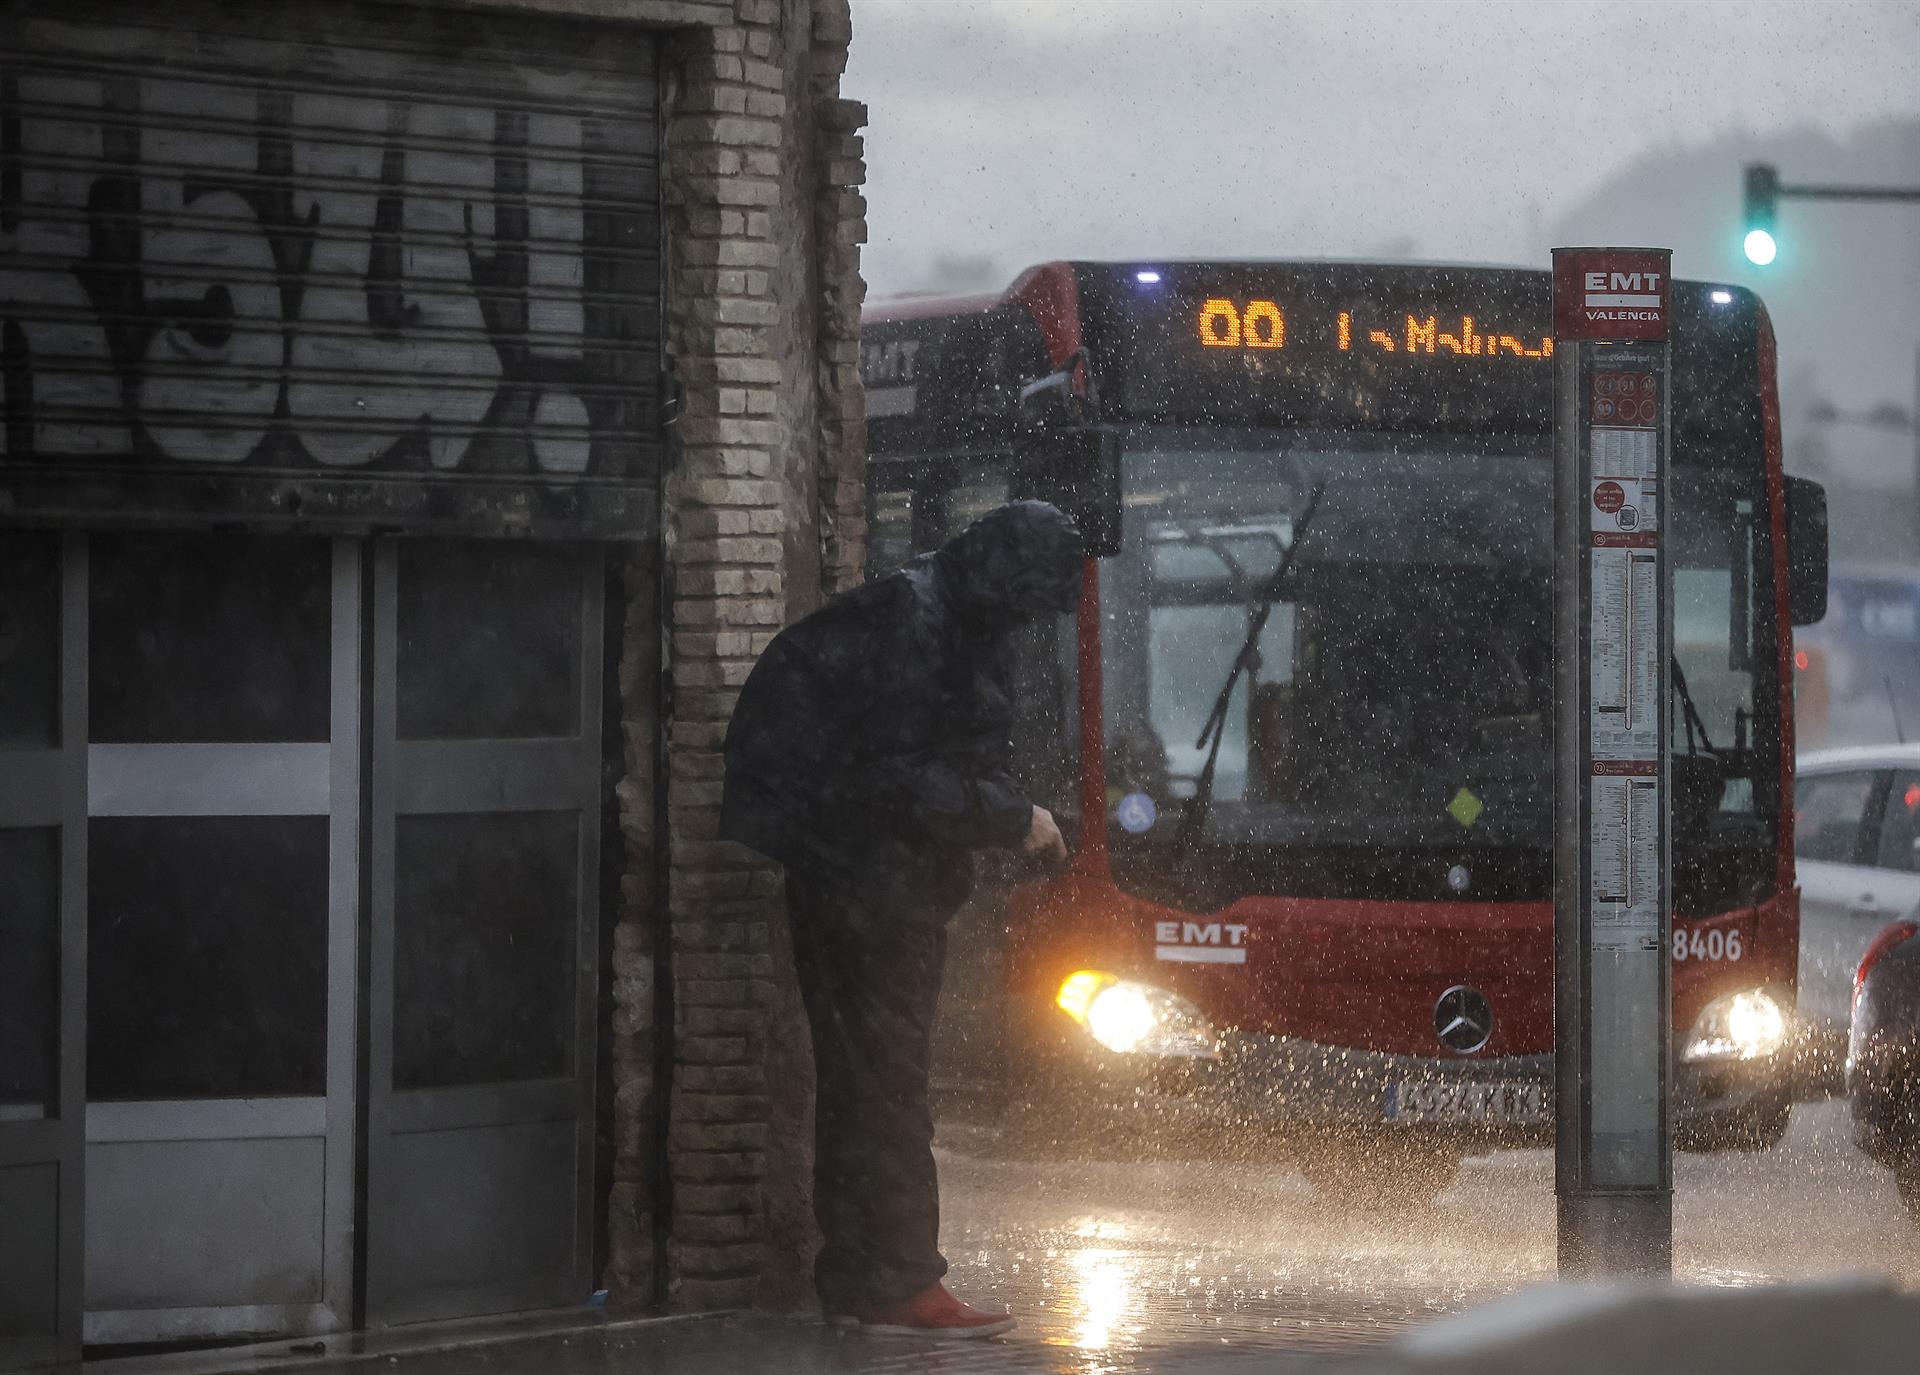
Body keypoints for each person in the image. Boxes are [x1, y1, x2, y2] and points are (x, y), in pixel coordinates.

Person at [720, 500, 1081, 1339]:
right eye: (1032, 602)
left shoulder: (929, 611)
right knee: (887, 1084)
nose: (1031, 623)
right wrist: (1011, 816)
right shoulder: (922, 628)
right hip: (869, 887)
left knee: (863, 1080)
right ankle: (901, 1280)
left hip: (856, 876)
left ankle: (861, 1275)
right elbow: (905, 778)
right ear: (1008, 581)